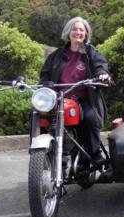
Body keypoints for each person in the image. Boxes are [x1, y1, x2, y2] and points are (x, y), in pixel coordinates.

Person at [39, 16, 110, 165]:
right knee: (39, 115)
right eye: (74, 29)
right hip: (60, 98)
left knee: (91, 119)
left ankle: (95, 154)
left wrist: (102, 74)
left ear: (86, 34)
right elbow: (45, 74)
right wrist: (44, 85)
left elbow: (100, 65)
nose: (78, 32)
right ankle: (41, 152)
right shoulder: (56, 55)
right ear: (68, 32)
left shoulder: (91, 52)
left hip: (84, 98)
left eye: (81, 30)